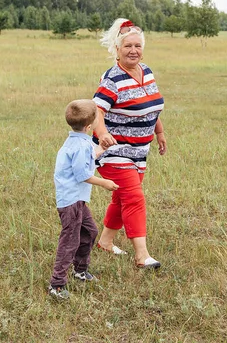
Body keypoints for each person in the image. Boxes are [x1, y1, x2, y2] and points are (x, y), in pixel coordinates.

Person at [92, 18, 166, 269]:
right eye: (128, 47)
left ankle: (104, 241)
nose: (133, 50)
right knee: (134, 198)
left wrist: (160, 133)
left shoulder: (146, 71)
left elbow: (152, 107)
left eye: (137, 46)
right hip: (113, 151)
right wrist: (102, 133)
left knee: (122, 199)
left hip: (139, 151)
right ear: (117, 49)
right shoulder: (113, 78)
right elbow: (96, 111)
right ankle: (142, 256)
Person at [49, 99, 118, 300]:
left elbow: (88, 157)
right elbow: (82, 174)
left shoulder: (80, 140)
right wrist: (104, 182)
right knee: (70, 240)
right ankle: (57, 284)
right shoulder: (78, 145)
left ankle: (80, 270)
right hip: (70, 201)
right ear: (89, 126)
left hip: (77, 199)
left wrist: (103, 149)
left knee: (89, 231)